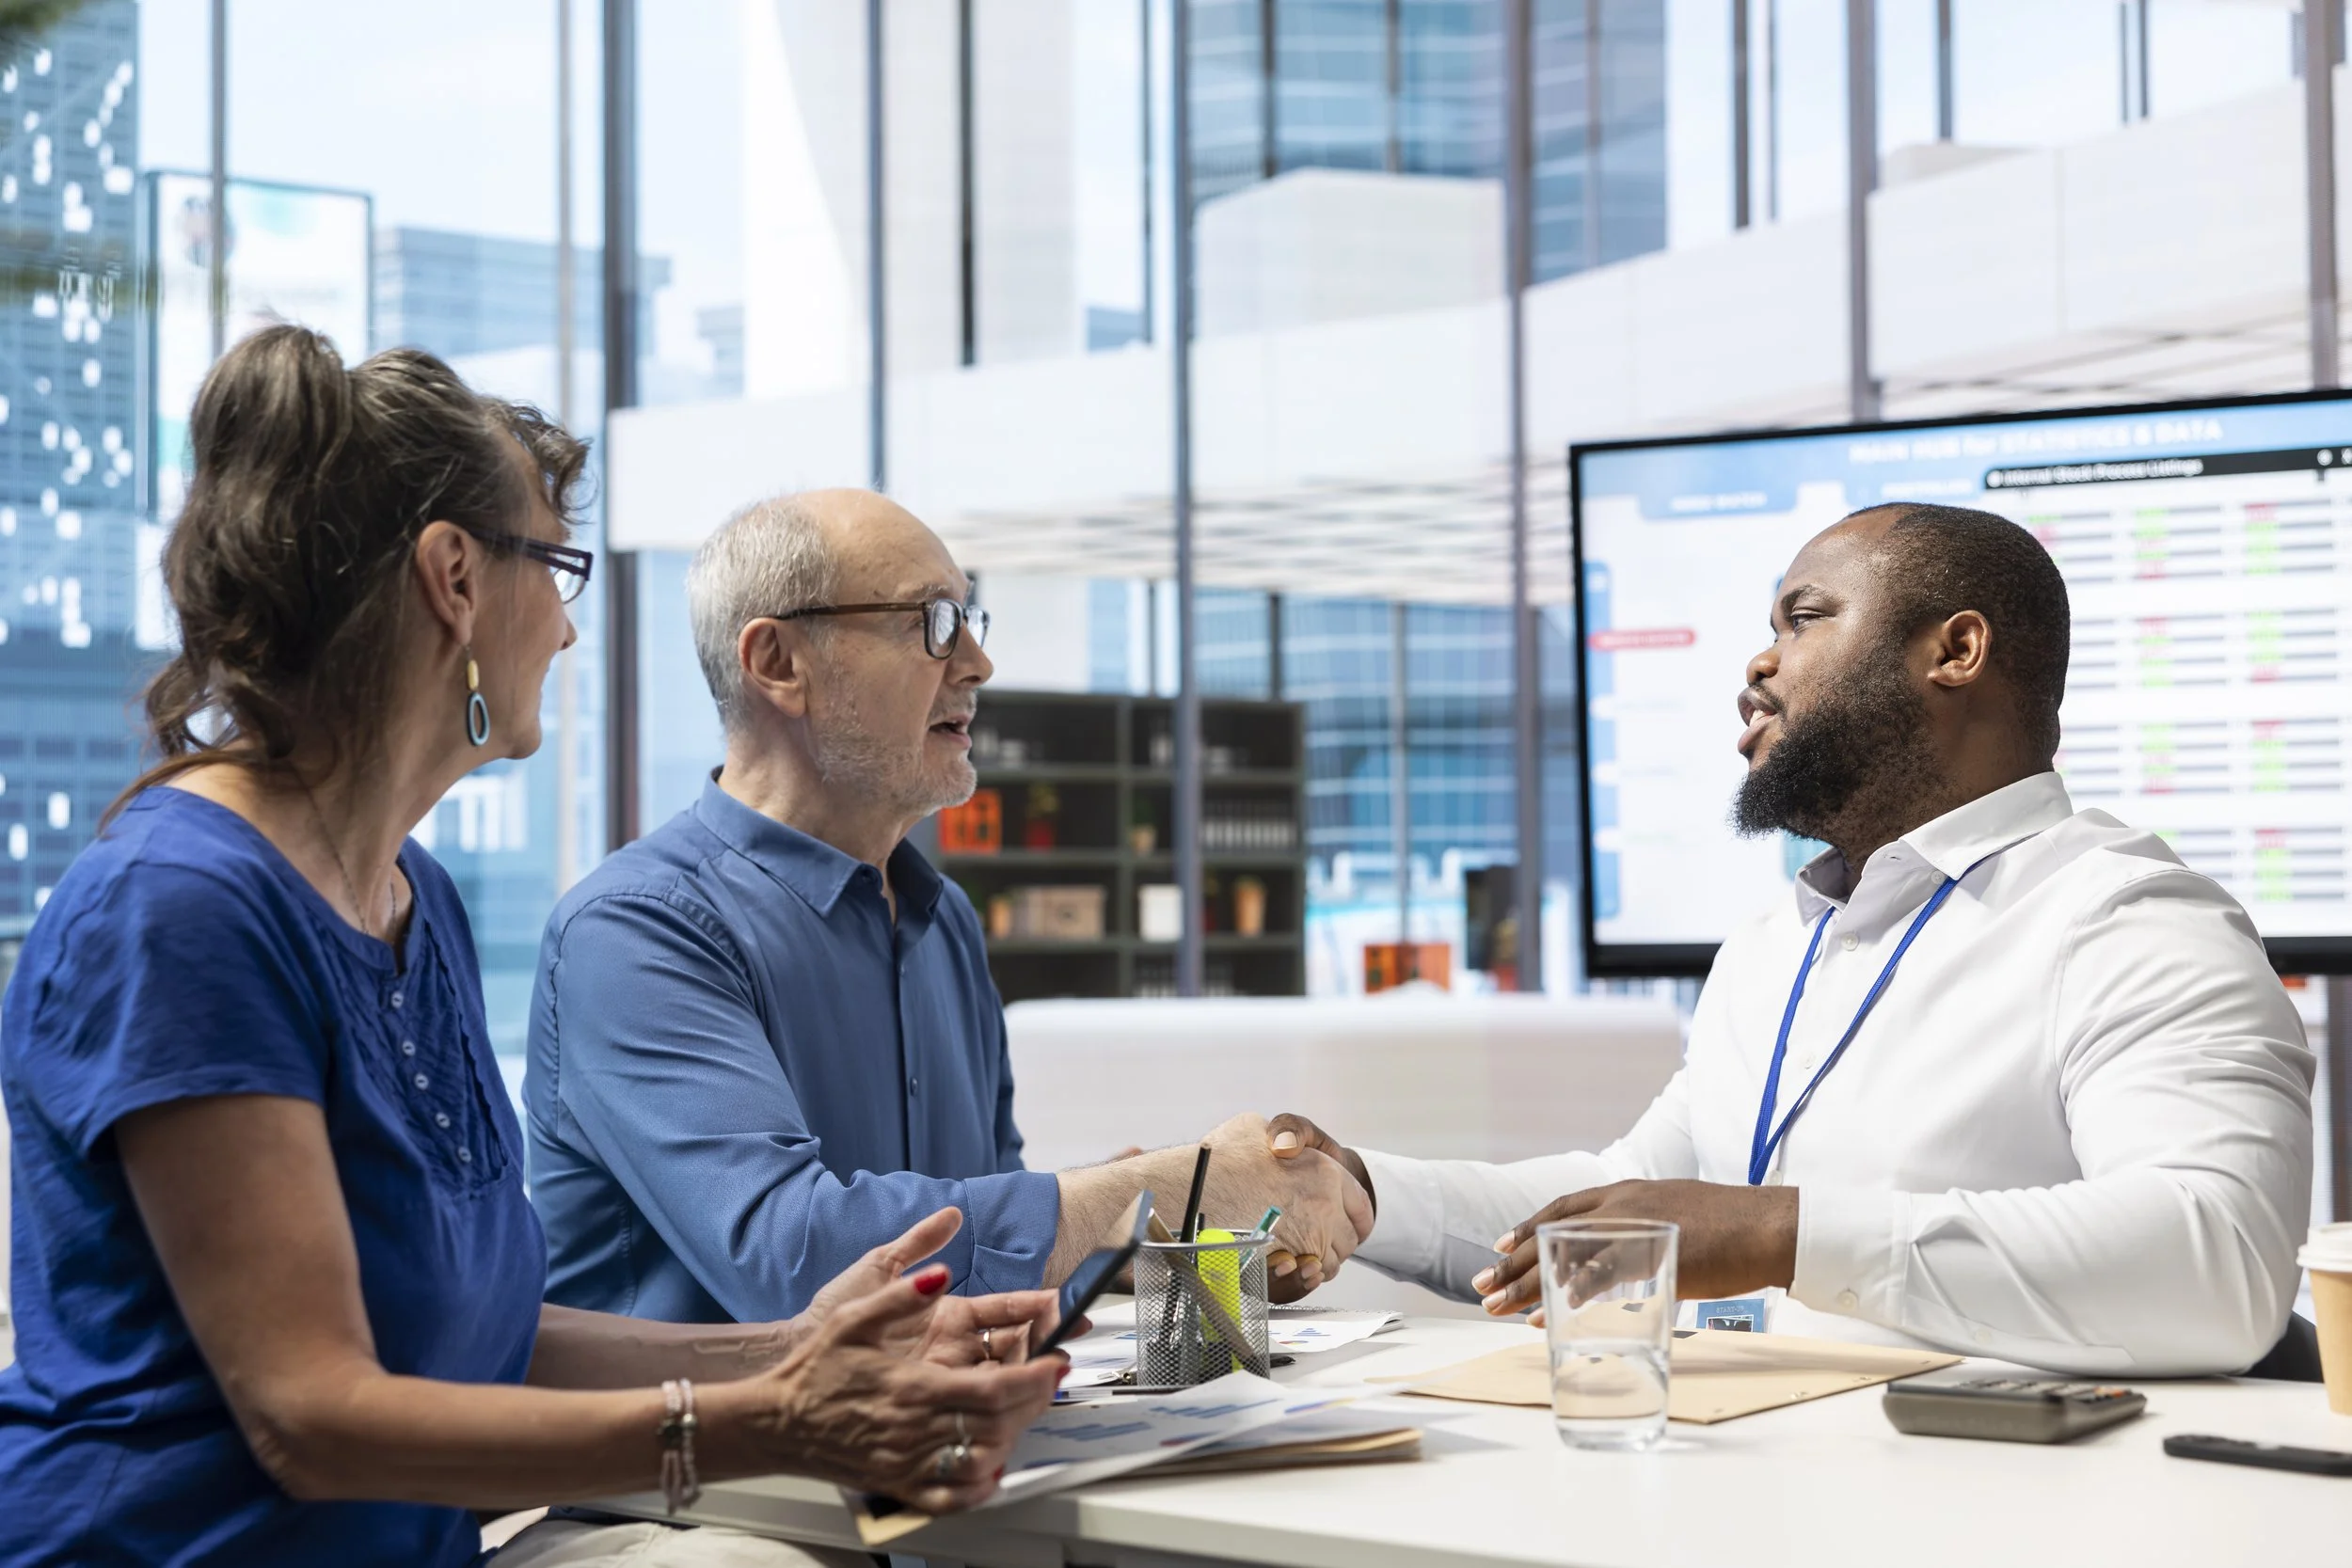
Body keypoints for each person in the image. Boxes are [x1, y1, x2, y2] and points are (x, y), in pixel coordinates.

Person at [0, 328, 1068, 1568]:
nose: (565, 634)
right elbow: (314, 1416)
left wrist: (804, 1348)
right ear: (453, 577)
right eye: (554, 568)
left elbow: (487, 1334)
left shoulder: (415, 898)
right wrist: (764, 1418)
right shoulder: (180, 909)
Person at [1265, 502, 2314, 1377]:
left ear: (1956, 649)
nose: (1758, 662)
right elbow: (1632, 1194)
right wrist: (1357, 1191)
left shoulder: (2128, 918)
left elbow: (2213, 1263)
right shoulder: (1777, 941)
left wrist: (1779, 1233)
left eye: (1802, 617)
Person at [527, 490, 1371, 1326]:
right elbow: (794, 1265)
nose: (976, 662)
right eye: (931, 622)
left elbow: (978, 1249)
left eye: (971, 620)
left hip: (946, 1446)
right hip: (719, 1460)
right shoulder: (634, 933)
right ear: (779, 662)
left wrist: (1180, 1245)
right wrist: (1171, 1183)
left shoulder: (944, 919)